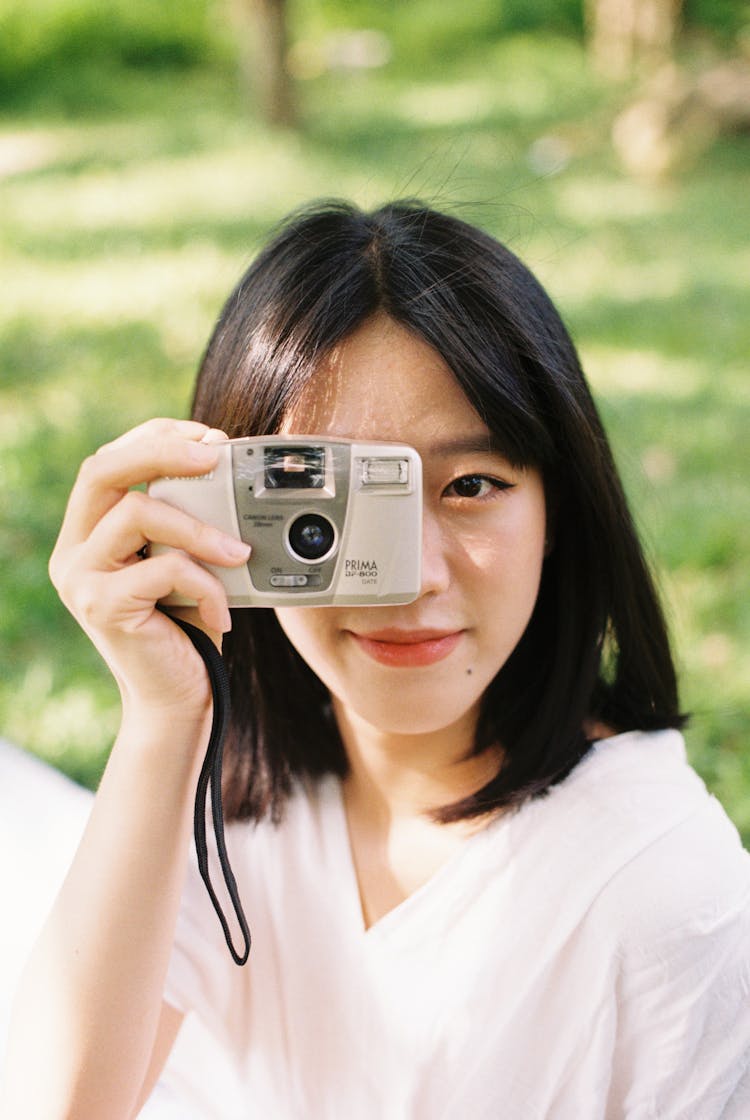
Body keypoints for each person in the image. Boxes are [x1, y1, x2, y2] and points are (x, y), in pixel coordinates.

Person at [2, 200, 749, 1119]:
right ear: (236, 514)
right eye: (338, 505)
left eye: (471, 486)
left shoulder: (659, 884)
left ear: (559, 510)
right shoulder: (226, 798)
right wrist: (163, 722)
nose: (411, 580)